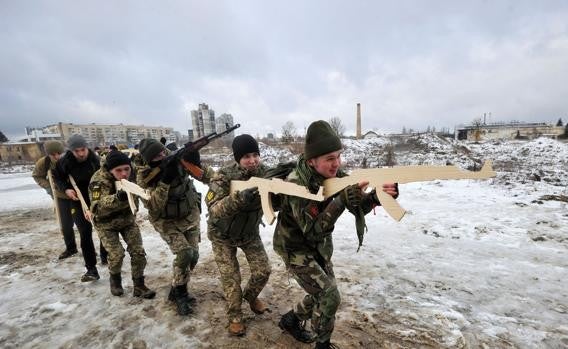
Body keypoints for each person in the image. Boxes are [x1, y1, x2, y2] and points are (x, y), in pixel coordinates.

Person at [274, 120, 398, 348]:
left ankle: (290, 320)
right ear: (312, 161)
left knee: (321, 292)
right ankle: (322, 344)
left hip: (318, 247)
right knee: (330, 295)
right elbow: (311, 232)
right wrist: (340, 200)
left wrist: (377, 197)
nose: (336, 164)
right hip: (295, 248)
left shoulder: (338, 175)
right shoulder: (296, 184)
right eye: (329, 159)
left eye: (338, 156)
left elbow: (357, 205)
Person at [136, 139, 214, 315]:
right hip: (166, 222)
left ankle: (176, 287)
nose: (162, 157)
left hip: (189, 215)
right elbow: (153, 206)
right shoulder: (143, 176)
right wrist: (165, 181)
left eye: (163, 152)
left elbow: (205, 176)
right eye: (157, 156)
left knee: (193, 257)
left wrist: (195, 161)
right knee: (184, 254)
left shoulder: (177, 160)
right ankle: (180, 293)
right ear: (149, 160)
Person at [205, 134, 271, 336]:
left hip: (249, 232)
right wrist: (238, 199)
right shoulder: (222, 176)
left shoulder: (265, 173)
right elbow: (213, 207)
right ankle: (235, 316)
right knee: (231, 279)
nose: (252, 161)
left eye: (255, 155)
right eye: (246, 157)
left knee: (263, 270)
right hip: (222, 235)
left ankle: (251, 297)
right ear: (237, 158)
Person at [88, 151, 156, 299]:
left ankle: (139, 285)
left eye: (126, 169)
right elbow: (96, 207)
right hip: (106, 223)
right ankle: (115, 280)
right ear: (110, 169)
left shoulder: (133, 173)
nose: (124, 173)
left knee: (138, 252)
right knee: (117, 254)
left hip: (127, 220)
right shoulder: (98, 180)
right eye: (118, 170)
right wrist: (118, 198)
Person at [53, 134, 108, 282]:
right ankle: (91, 269)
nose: (81, 154)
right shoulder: (65, 161)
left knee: (103, 227)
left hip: (96, 196)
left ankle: (105, 255)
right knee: (85, 232)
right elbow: (57, 177)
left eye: (83, 149)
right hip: (77, 199)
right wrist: (66, 189)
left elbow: (106, 177)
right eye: (77, 151)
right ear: (71, 151)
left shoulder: (95, 159)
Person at [32, 140, 78, 260]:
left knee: (83, 224)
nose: (57, 156)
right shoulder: (44, 162)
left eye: (59, 153)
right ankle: (71, 248)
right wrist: (48, 187)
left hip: (77, 195)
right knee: (66, 225)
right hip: (60, 196)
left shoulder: (71, 158)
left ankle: (89, 249)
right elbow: (37, 175)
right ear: (48, 154)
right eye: (53, 154)